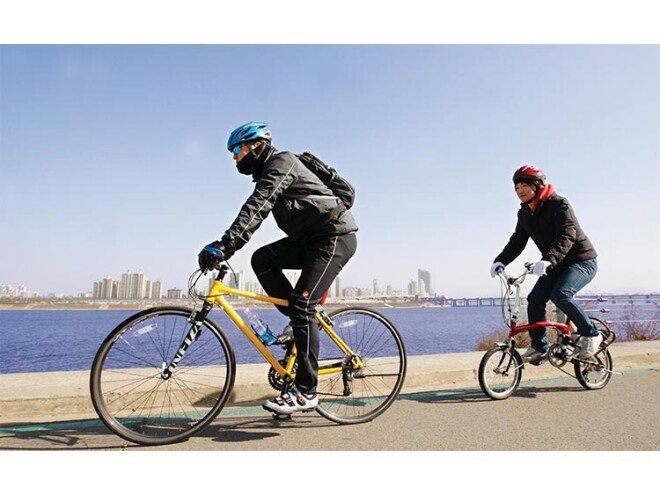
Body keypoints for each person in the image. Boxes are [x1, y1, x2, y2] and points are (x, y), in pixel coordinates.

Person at [198, 122, 358, 415]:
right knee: (262, 259)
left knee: (302, 305)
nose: (234, 156)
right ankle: (298, 324)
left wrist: (225, 245)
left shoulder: (282, 162)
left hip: (334, 238)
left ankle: (306, 391)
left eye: (237, 149)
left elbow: (258, 206)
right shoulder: (269, 171)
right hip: (309, 241)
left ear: (256, 146)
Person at [490, 165, 601, 363]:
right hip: (556, 265)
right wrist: (500, 261)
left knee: (561, 294)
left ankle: (591, 334)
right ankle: (540, 346)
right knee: (535, 299)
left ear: (537, 185)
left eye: (524, 185)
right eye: (516, 187)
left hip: (582, 262)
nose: (519, 191)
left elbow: (567, 234)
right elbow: (517, 241)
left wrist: (548, 258)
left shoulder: (559, 204)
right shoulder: (525, 213)